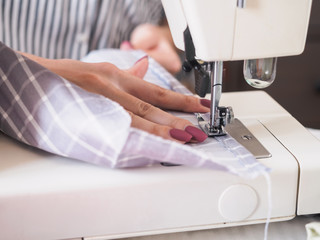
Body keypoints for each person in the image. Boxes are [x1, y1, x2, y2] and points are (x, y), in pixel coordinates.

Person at [0, 0, 210, 143]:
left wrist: (167, 37)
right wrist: (36, 73)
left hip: (134, 94)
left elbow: (177, 15)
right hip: (15, 113)